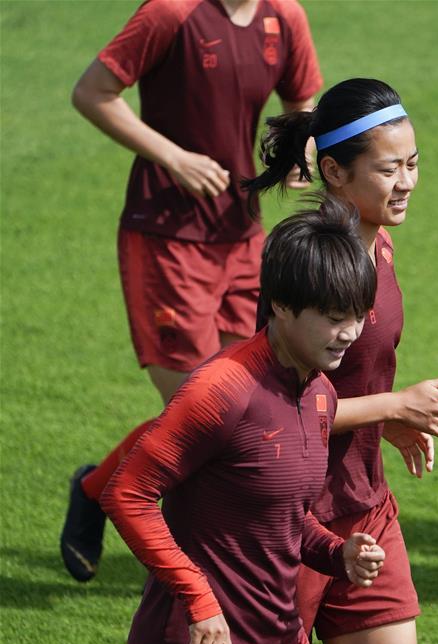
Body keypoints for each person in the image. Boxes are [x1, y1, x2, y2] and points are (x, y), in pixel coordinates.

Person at [61, 0, 322, 582]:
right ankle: (188, 555)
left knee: (246, 403)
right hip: (165, 237)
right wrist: (172, 156)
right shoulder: (169, 14)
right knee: (201, 409)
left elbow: (302, 101)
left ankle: (95, 488)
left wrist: (299, 150)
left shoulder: (285, 16)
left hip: (242, 234)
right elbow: (92, 93)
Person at [242, 78, 438, 644]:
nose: (407, 183)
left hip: (366, 509)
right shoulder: (307, 266)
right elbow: (273, 413)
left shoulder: (381, 246)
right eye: (389, 169)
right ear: (335, 172)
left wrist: (385, 417)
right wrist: (393, 406)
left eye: (413, 165)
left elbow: (349, 380)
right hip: (291, 519)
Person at [101, 196, 386, 644]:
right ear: (280, 304)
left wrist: (339, 555)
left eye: (357, 315)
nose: (349, 333)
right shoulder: (221, 389)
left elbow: (285, 519)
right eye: (334, 317)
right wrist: (198, 596)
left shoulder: (320, 394)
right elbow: (127, 493)